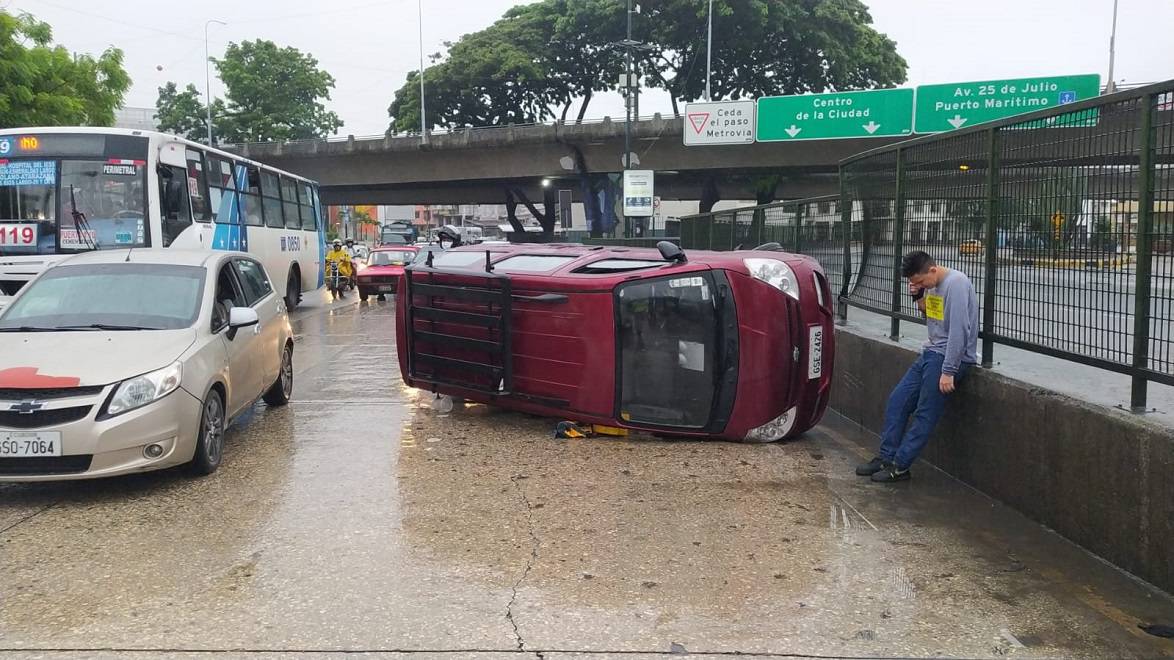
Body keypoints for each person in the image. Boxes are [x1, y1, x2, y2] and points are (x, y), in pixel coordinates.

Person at [856, 251, 979, 483]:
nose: (920, 285)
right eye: (914, 283)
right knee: (897, 401)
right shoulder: (931, 285)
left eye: (921, 281)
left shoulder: (957, 284)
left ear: (932, 270)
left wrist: (949, 370)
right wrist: (919, 297)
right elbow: (934, 320)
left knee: (925, 412)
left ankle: (901, 466)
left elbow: (959, 331)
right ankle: (886, 456)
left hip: (948, 358)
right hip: (930, 352)